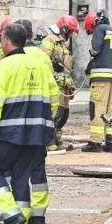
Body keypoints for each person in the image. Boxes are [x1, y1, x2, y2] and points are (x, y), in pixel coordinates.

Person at [0, 23, 60, 224]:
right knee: (20, 177)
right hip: (36, 134)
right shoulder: (41, 65)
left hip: (8, 133)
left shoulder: (4, 67)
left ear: (6, 41)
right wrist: (44, 122)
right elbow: (54, 97)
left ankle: (12, 214)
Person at [17, 19, 55, 224]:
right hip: (39, 124)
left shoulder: (11, 58)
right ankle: (39, 215)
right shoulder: (42, 57)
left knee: (18, 168)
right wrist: (49, 117)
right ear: (32, 35)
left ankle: (20, 213)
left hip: (16, 126)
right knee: (38, 167)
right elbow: (53, 92)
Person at [82, 10, 112, 152]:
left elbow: (95, 49)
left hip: (101, 77)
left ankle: (95, 142)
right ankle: (110, 142)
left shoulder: (100, 29)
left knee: (97, 108)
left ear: (93, 24)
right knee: (111, 110)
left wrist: (92, 60)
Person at [41, 15, 79, 146]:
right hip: (55, 86)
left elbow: (67, 70)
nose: (72, 34)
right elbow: (44, 60)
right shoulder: (50, 40)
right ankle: (49, 142)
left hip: (64, 87)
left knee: (63, 115)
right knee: (55, 114)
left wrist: (71, 87)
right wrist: (53, 66)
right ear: (65, 28)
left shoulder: (63, 44)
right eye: (72, 31)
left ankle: (57, 140)